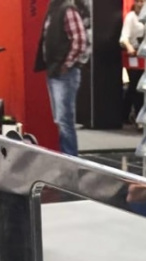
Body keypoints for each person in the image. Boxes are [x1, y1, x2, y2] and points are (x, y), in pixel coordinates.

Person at [36, 0, 91, 157]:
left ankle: (70, 158)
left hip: (64, 74)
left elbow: (80, 40)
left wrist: (66, 64)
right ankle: (66, 157)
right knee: (59, 120)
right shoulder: (54, 9)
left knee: (64, 120)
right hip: (55, 71)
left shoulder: (67, 9)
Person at [120, 0, 146, 127]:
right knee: (135, 86)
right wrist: (130, 47)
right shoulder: (131, 17)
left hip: (144, 56)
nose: (140, 4)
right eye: (138, 1)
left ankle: (125, 114)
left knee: (135, 87)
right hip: (133, 55)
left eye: (143, 1)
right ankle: (136, 116)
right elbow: (124, 38)